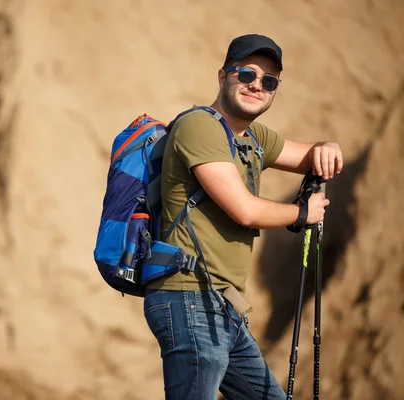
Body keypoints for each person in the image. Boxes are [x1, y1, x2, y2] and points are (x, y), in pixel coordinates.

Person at [143, 34, 343, 399]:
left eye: (269, 81)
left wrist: (327, 146)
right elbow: (243, 209)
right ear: (223, 76)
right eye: (246, 73)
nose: (257, 85)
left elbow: (311, 155)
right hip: (189, 300)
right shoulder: (199, 126)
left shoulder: (254, 137)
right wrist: (302, 213)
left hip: (224, 307)